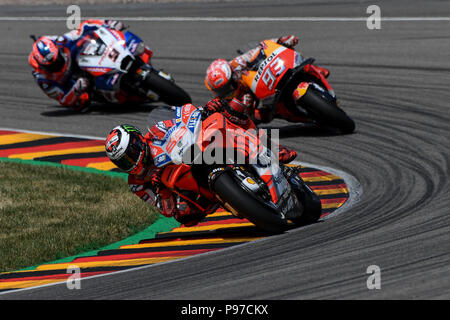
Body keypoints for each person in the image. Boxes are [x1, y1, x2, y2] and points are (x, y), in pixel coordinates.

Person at [105, 99, 297, 227]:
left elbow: (182, 114)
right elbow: (165, 209)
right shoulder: (136, 183)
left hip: (193, 156)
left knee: (225, 114)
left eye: (130, 153)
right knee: (183, 215)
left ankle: (270, 150)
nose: (131, 161)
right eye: (124, 161)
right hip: (189, 194)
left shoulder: (156, 132)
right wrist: (160, 190)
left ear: (138, 141)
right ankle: (236, 199)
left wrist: (201, 111)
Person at [204, 35, 330, 123]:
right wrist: (247, 112)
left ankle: (313, 69)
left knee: (296, 58)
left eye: (228, 85)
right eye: (221, 90)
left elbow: (261, 47)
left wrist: (281, 40)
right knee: (274, 114)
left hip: (270, 80)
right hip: (263, 105)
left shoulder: (237, 63)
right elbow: (237, 123)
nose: (227, 90)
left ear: (232, 74)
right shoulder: (222, 102)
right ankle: (311, 120)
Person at [28, 19, 140, 112]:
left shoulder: (60, 41)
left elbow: (85, 26)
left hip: (81, 59)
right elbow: (63, 99)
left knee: (94, 39)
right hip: (76, 82)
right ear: (43, 66)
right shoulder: (43, 79)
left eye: (58, 59)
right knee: (81, 103)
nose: (58, 64)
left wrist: (108, 23)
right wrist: (76, 90)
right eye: (52, 66)